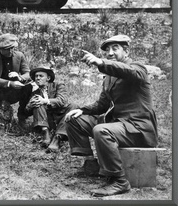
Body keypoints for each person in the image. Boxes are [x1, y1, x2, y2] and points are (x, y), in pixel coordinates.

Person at [65, 35, 158, 197]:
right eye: (107, 50)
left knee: (102, 130)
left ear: (126, 51)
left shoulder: (138, 68)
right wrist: (83, 110)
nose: (110, 52)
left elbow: (127, 71)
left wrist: (101, 63)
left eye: (115, 48)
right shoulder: (109, 77)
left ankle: (119, 181)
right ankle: (91, 164)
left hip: (138, 128)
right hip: (120, 124)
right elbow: (102, 105)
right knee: (75, 119)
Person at [18, 65, 75, 151]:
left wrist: (45, 101)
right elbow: (27, 113)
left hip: (60, 118)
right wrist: (29, 106)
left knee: (74, 106)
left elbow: (62, 100)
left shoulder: (58, 85)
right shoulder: (35, 92)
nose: (37, 78)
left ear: (48, 78)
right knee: (37, 103)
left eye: (41, 76)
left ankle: (57, 138)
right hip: (47, 121)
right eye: (36, 76)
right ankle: (46, 134)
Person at [0, 33, 31, 128]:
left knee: (28, 87)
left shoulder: (19, 56)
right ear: (0, 49)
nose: (11, 51)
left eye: (12, 48)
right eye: (7, 49)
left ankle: (22, 117)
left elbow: (28, 74)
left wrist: (20, 77)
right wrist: (9, 83)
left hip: (14, 92)